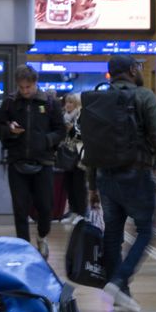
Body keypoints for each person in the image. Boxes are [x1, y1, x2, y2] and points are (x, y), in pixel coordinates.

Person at [86, 55, 156, 312]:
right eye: (137, 67)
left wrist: (92, 185)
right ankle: (118, 282)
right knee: (147, 232)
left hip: (106, 176)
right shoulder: (145, 97)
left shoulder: (98, 99)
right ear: (129, 71)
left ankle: (121, 293)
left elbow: (92, 146)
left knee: (113, 234)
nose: (139, 70)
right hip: (137, 175)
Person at [0, 65, 65, 257]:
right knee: (20, 208)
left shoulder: (50, 103)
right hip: (17, 161)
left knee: (45, 206)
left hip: (44, 162)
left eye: (28, 87)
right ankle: (23, 247)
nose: (25, 91)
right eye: (22, 87)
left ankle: (42, 236)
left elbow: (61, 130)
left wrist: (46, 141)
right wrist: (9, 130)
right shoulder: (10, 103)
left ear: (35, 83)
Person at [59, 93, 88, 221]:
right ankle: (73, 211)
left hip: (78, 156)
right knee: (69, 184)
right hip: (66, 156)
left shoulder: (81, 117)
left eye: (71, 102)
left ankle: (82, 213)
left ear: (76, 105)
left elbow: (83, 135)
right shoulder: (63, 117)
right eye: (67, 102)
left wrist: (71, 130)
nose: (68, 105)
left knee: (79, 185)